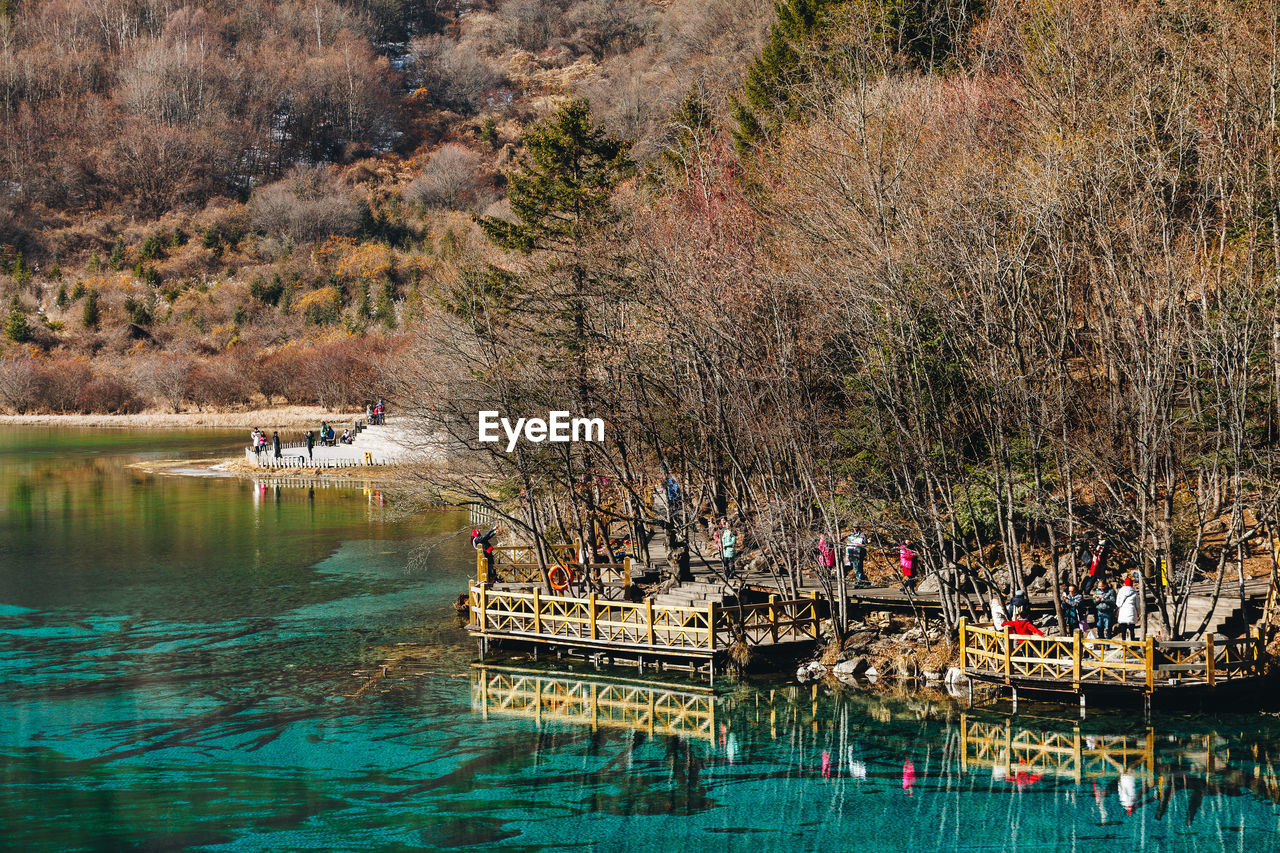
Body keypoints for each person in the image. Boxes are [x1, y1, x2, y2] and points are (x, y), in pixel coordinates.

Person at [1115, 576, 1139, 640]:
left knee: (1123, 630)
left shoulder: (1121, 591)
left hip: (1123, 611)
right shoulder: (1134, 592)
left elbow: (1118, 603)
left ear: (1124, 583)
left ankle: (1124, 645)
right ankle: (1133, 644)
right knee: (1132, 630)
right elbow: (1137, 605)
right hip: (1131, 611)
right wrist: (1138, 613)